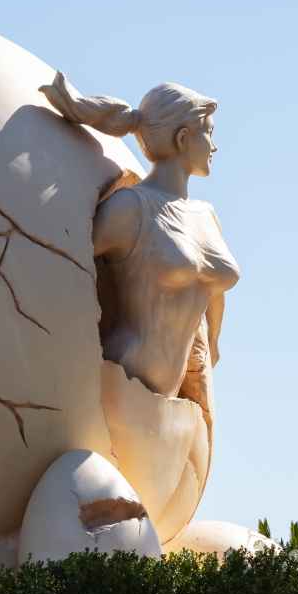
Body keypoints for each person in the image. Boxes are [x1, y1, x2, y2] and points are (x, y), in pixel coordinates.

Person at [40, 72, 240, 399]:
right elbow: (66, 270)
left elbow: (213, 289)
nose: (214, 146)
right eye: (208, 133)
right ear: (183, 138)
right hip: (122, 381)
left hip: (171, 399)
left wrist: (213, 343)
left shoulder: (206, 216)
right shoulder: (131, 208)